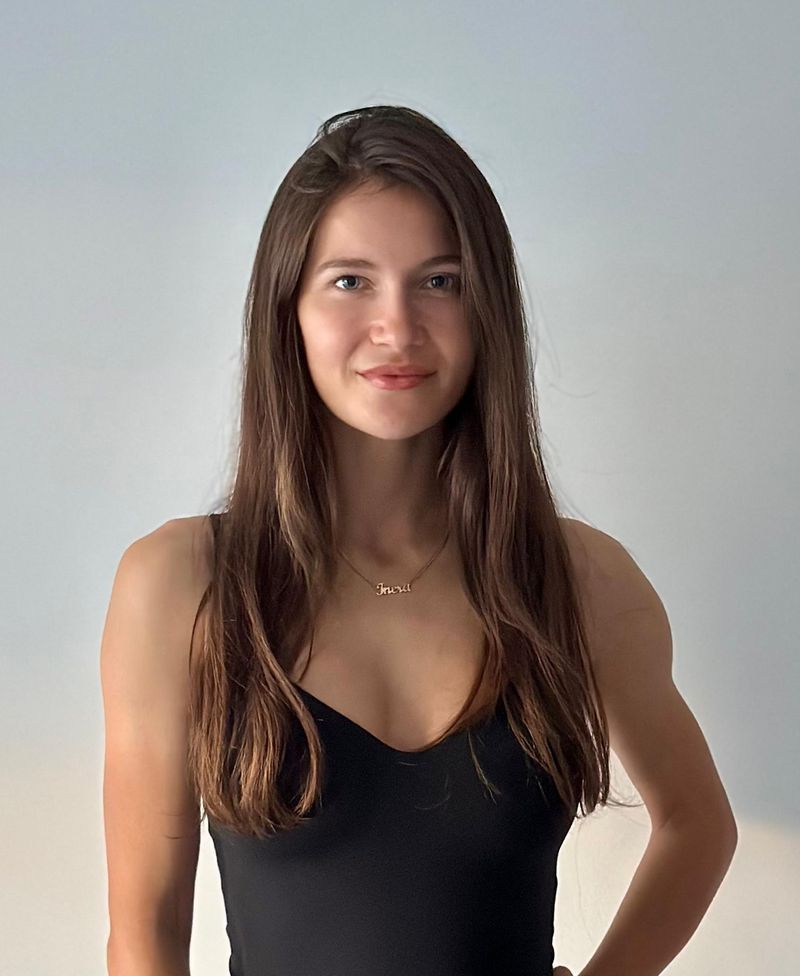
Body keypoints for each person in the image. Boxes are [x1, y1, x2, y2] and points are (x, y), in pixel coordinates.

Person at [100, 105, 737, 976]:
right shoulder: (182, 584)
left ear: (487, 310)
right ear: (287, 308)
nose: (397, 329)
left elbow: (698, 822)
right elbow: (144, 931)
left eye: (440, 281)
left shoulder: (579, 579)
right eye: (350, 281)